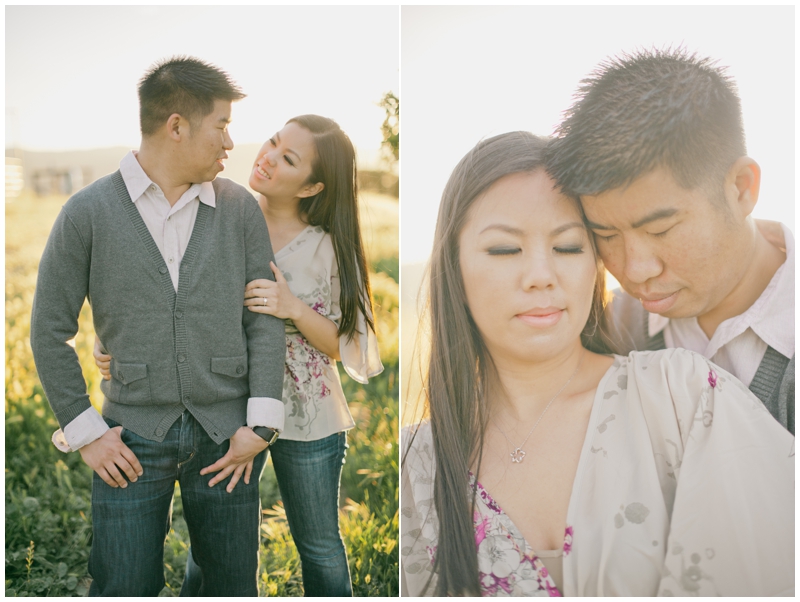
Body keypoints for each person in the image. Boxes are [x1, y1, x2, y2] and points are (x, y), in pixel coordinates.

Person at [400, 132, 794, 596]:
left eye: (568, 247)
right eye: (505, 250)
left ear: (596, 267)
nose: (541, 277)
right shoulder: (419, 460)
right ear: (453, 266)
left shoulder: (685, 394)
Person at [95, 114, 383, 596]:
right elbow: (170, 294)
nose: (268, 157)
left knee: (318, 544)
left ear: (313, 187)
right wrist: (113, 341)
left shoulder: (329, 247)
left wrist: (292, 307)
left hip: (307, 414)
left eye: (288, 159)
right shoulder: (222, 213)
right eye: (273, 141)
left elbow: (350, 344)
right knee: (213, 543)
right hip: (228, 406)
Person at [30, 57, 286, 596]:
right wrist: (86, 435)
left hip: (229, 441)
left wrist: (259, 424)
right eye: (221, 125)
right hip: (128, 440)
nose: (230, 143)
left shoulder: (239, 208)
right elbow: (49, 329)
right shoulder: (86, 212)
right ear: (176, 126)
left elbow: (263, 317)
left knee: (232, 587)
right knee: (122, 585)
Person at [545, 48, 794, 433]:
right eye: (605, 235)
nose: (633, 270)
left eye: (660, 230)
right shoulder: (607, 333)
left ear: (742, 188)